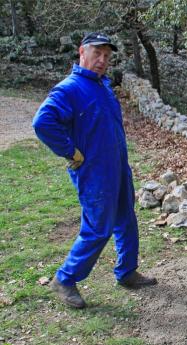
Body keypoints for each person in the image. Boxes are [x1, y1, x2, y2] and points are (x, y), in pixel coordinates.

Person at [32, 32, 156, 309]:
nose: (102, 60)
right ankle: (65, 279)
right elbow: (42, 122)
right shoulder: (69, 89)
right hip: (94, 172)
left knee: (126, 218)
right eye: (97, 54)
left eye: (107, 56)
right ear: (82, 53)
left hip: (117, 167)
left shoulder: (102, 86)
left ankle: (127, 272)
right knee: (98, 228)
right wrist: (70, 151)